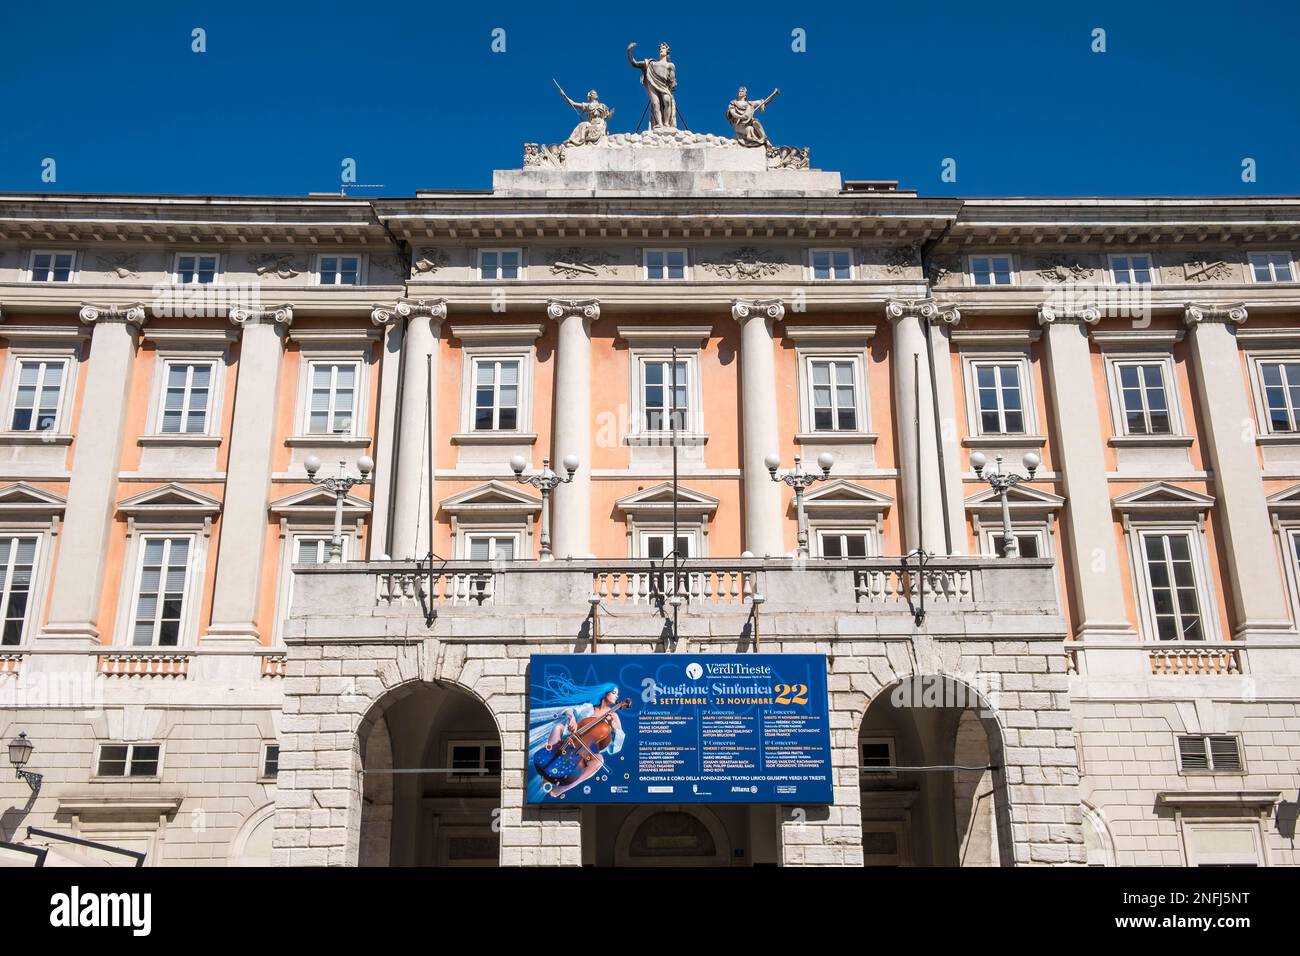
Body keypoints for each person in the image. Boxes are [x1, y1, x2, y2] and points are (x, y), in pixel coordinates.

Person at [529, 679, 625, 799]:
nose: (617, 696)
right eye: (614, 692)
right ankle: (549, 763)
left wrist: (613, 727)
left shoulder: (614, 716)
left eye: (617, 694)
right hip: (571, 741)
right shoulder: (589, 708)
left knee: (599, 760)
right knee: (558, 727)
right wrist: (572, 719)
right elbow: (569, 710)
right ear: (605, 693)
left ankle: (563, 788)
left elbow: (618, 744)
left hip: (586, 753)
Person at [627, 42, 677, 129]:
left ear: (667, 51)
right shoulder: (651, 63)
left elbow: (672, 80)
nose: (661, 49)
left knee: (667, 100)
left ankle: (666, 123)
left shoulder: (670, 65)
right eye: (660, 48)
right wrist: (629, 52)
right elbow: (634, 63)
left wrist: (673, 86)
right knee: (655, 103)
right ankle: (659, 123)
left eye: (663, 48)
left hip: (664, 86)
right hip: (652, 84)